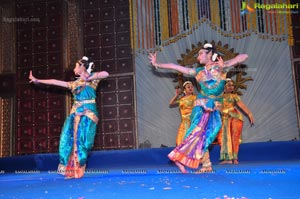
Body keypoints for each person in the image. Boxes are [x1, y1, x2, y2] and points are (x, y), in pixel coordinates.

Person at [148, 43, 248, 173]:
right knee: (197, 133)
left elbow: (244, 57)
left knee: (208, 135)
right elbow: (175, 66)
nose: (198, 57)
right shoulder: (198, 72)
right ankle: (189, 159)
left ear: (210, 54)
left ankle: (202, 163)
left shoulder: (220, 66)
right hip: (202, 106)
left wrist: (224, 66)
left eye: (201, 53)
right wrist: (158, 64)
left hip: (215, 106)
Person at [29, 56, 109, 179]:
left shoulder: (93, 80)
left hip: (88, 114)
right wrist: (38, 80)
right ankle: (70, 169)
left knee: (82, 141)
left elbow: (106, 74)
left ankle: (79, 168)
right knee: (67, 138)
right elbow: (55, 82)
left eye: (76, 66)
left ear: (82, 66)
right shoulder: (74, 84)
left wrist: (89, 77)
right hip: (75, 114)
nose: (74, 69)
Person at [217, 78, 254, 164]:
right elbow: (218, 108)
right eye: (229, 85)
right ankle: (227, 158)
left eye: (232, 85)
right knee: (224, 138)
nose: (231, 87)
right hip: (224, 119)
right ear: (224, 87)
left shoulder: (234, 96)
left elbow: (241, 105)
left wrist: (249, 113)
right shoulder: (219, 97)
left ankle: (235, 158)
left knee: (234, 137)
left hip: (233, 117)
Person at [169, 81, 196, 146]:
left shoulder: (195, 97)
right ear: (184, 90)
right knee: (180, 141)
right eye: (188, 87)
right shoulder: (182, 99)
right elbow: (171, 103)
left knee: (192, 141)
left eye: (191, 87)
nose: (190, 88)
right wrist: (177, 95)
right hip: (184, 123)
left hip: (192, 122)